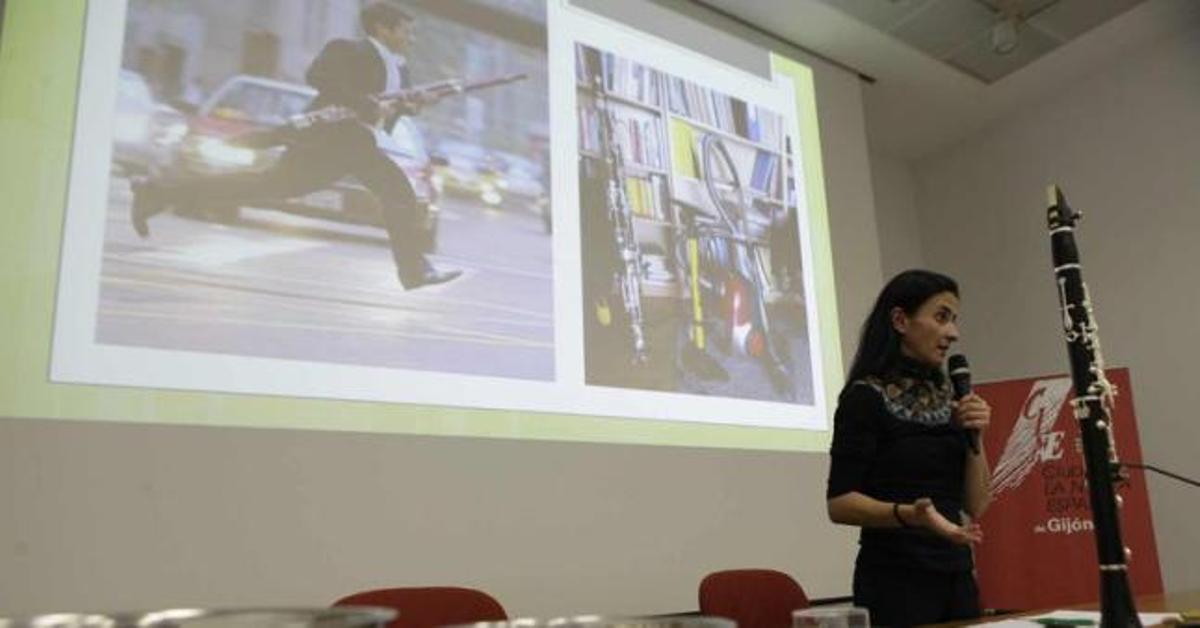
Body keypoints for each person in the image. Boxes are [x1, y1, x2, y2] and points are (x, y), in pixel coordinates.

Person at [130, 2, 461, 290]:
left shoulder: (400, 69)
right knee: (399, 194)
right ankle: (413, 271)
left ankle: (157, 193)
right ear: (382, 28)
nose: (411, 39)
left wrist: (416, 104)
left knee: (265, 186)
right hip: (329, 138)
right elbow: (319, 77)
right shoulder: (348, 49)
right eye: (406, 31)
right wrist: (364, 103)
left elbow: (394, 107)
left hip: (353, 142)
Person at [825, 269, 992, 626]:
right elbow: (839, 504)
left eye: (954, 320)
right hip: (894, 580)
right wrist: (909, 515)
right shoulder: (865, 397)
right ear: (901, 320)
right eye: (941, 317)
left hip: (957, 575)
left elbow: (976, 504)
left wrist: (976, 436)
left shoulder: (951, 399)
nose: (953, 333)